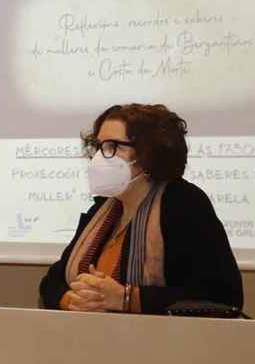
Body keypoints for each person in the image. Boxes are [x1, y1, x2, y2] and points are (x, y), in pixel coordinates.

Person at [39, 103, 243, 314]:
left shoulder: (183, 204)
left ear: (149, 154)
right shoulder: (102, 209)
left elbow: (222, 295)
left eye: (113, 146)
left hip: (161, 343)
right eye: (100, 147)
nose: (100, 157)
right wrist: (70, 299)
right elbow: (52, 281)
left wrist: (127, 298)